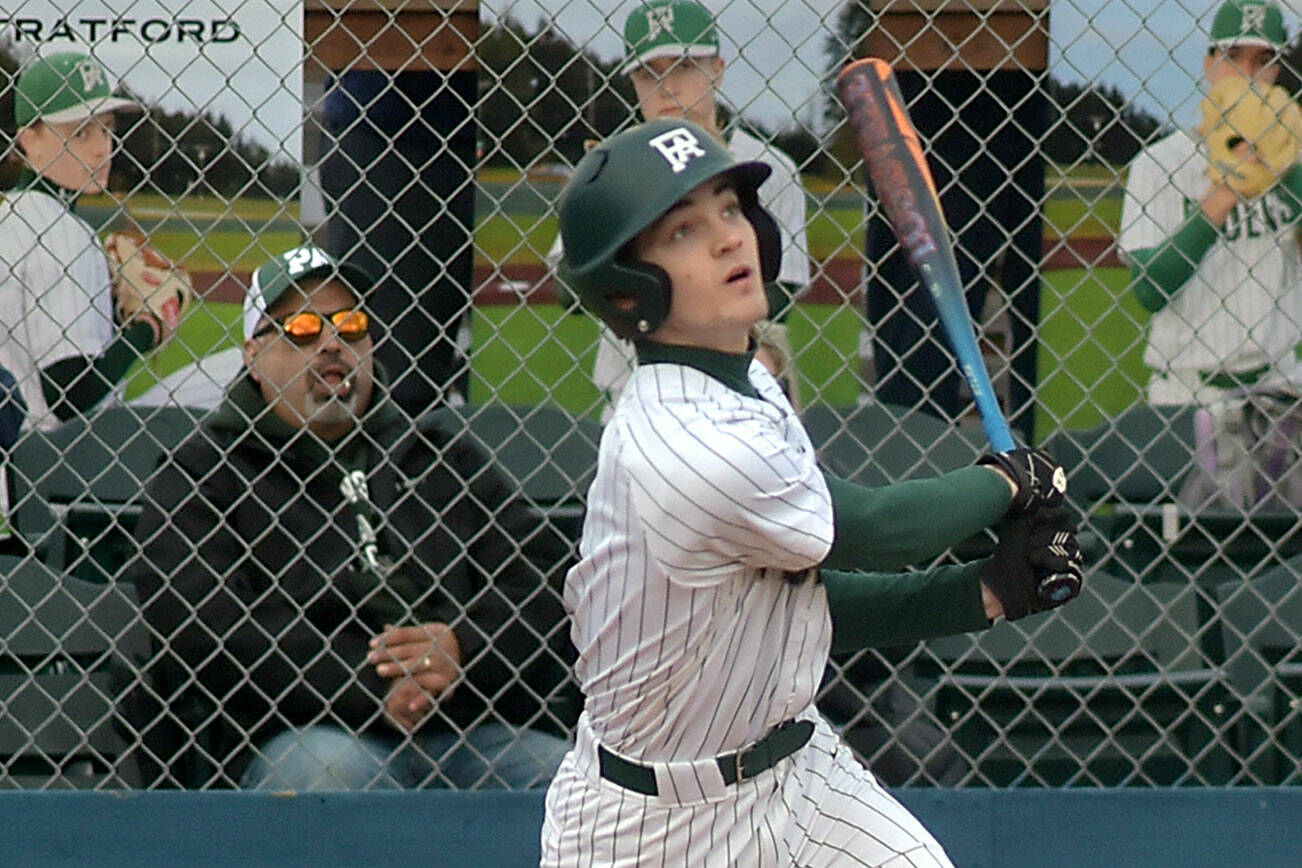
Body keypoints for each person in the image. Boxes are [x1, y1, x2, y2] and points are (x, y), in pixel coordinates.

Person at [540, 119, 1082, 865]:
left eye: (730, 209)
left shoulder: (748, 382)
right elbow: (878, 529)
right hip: (654, 829)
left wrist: (985, 590)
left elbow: (796, 612)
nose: (729, 238)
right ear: (627, 287)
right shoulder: (681, 442)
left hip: (799, 774)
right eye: (683, 232)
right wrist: (1008, 482)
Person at [121, 244, 571, 790]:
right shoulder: (202, 472)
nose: (332, 342)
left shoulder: (434, 456)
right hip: (303, 730)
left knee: (566, 778)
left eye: (351, 324)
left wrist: (459, 649)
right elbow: (200, 622)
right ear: (254, 356)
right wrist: (369, 684)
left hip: (464, 722)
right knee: (332, 776)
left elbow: (544, 576)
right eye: (303, 327)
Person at [548, 0, 810, 418]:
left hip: (748, 369)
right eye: (648, 73)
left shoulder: (768, 166)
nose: (667, 86)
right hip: (634, 382)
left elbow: (781, 291)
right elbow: (569, 288)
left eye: (685, 66)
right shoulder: (613, 170)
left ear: (718, 69)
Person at [861, 1, 1047, 441]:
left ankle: (1015, 468)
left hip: (1018, 60)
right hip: (909, 57)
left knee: (1003, 288)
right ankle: (912, 448)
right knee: (914, 291)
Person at [1121, 0, 1302, 407]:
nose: (1249, 75)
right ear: (1208, 62)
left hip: (1283, 384)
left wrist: (1289, 170)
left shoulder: (1293, 160)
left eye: (1264, 60)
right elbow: (1151, 290)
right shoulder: (1160, 164)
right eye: (1233, 56)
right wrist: (1225, 195)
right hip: (1185, 394)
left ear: (1277, 72)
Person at [0, 52, 170, 432]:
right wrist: (147, 328)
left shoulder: (12, 215)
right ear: (30, 140)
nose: (102, 148)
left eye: (106, 128)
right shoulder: (61, 233)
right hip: (50, 466)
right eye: (81, 132)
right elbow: (69, 391)